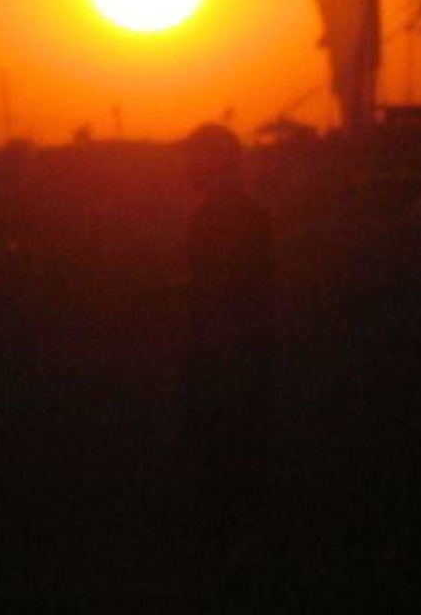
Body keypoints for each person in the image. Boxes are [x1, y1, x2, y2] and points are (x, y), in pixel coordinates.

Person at [181, 124, 277, 565]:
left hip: (225, 355)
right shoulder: (255, 216)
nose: (186, 167)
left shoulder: (209, 220)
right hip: (247, 351)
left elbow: (216, 291)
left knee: (221, 457)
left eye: (194, 157)